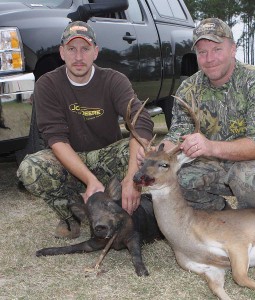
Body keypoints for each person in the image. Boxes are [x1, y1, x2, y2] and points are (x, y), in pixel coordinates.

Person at [17, 21, 153, 239]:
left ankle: (113, 206)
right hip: (70, 159)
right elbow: (56, 138)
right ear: (62, 53)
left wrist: (131, 178)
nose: (78, 57)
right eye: (72, 49)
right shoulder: (47, 84)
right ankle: (72, 217)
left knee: (140, 150)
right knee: (30, 168)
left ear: (95, 52)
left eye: (85, 49)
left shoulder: (114, 80)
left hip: (107, 157)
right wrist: (90, 181)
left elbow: (141, 122)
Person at [138, 18, 255, 210]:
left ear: (233, 49)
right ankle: (221, 217)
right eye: (202, 52)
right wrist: (159, 152)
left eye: (217, 50)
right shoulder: (188, 88)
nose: (209, 59)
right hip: (214, 161)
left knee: (247, 178)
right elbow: (179, 133)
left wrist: (210, 147)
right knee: (179, 178)